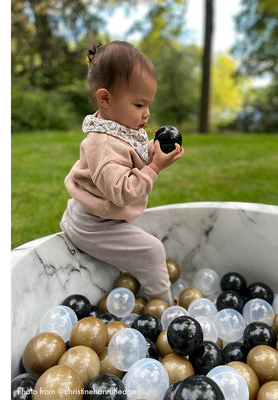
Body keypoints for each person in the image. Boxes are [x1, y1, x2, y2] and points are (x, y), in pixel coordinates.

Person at [60, 41, 184, 305]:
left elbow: (131, 156)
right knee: (153, 250)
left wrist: (153, 154)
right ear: (105, 98)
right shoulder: (103, 144)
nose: (147, 113)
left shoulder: (119, 126)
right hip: (94, 225)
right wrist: (154, 168)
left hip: (103, 215)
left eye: (148, 105)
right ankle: (163, 309)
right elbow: (121, 191)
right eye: (139, 105)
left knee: (150, 239)